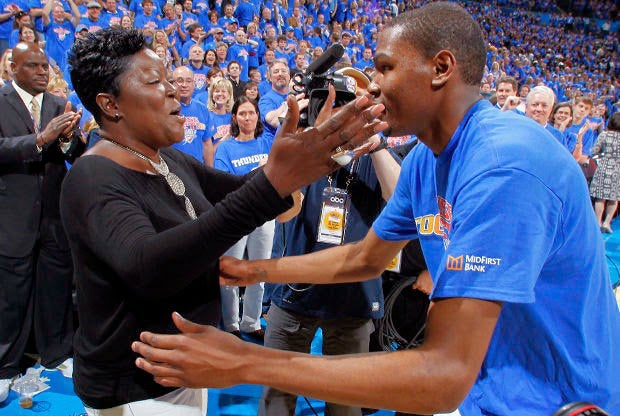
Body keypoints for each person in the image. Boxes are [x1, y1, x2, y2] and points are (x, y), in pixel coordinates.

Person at [132, 4, 620, 415]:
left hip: (558, 401)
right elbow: (363, 258)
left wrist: (246, 361)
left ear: (441, 68)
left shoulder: (504, 165)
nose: (371, 88)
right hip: (490, 393)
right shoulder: (429, 160)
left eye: (385, 67)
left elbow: (444, 371)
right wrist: (251, 269)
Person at [62, 26, 384, 415]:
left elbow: (244, 190)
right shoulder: (92, 176)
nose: (172, 90)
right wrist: (272, 183)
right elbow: (148, 267)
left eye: (169, 78)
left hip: (183, 369)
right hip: (134, 387)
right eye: (154, 82)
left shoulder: (169, 159)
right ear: (110, 104)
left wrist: (311, 151)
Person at [0, 41, 83, 403]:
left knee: (55, 291)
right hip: (12, 217)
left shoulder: (55, 103)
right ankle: (5, 366)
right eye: (32, 66)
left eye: (45, 66)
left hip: (53, 217)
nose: (42, 72)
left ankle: (57, 354)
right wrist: (41, 138)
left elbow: (78, 152)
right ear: (12, 68)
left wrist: (66, 142)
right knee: (11, 297)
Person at [214, 96, 274, 340]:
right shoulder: (226, 148)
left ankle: (251, 321)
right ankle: (231, 325)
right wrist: (256, 171)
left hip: (264, 214)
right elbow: (224, 182)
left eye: (251, 113)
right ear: (235, 118)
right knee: (230, 271)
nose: (247, 118)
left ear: (257, 116)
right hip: (236, 214)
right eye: (243, 114)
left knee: (259, 271)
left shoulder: (266, 143)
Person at [590, 112, 620, 234]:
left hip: (604, 167)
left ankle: (597, 222)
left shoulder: (604, 135)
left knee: (600, 198)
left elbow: (594, 151)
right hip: (618, 169)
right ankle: (607, 223)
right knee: (613, 198)